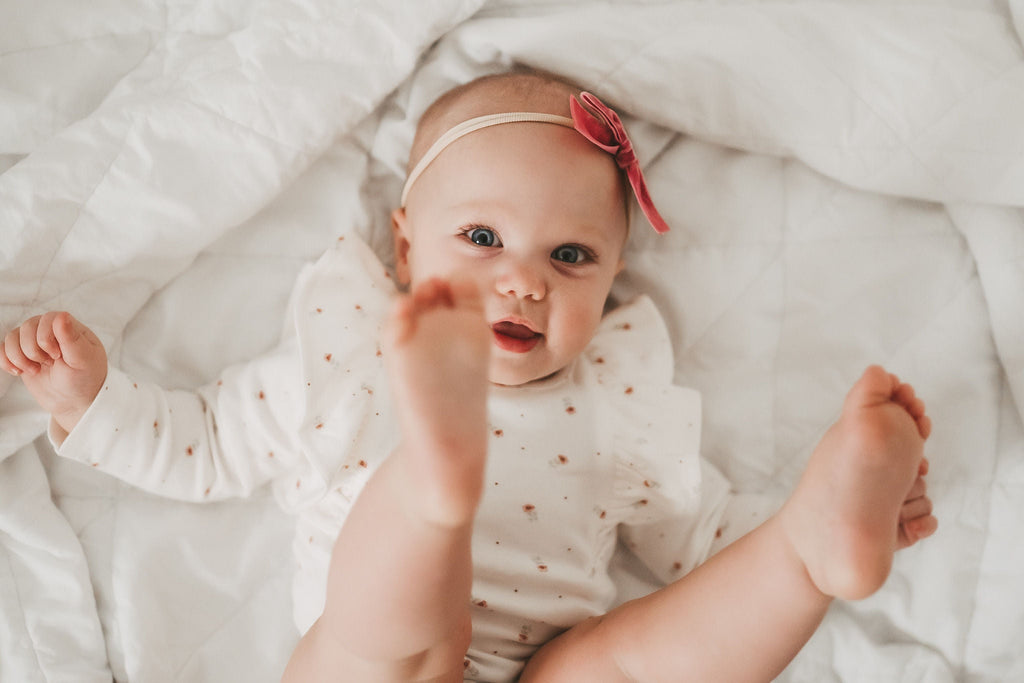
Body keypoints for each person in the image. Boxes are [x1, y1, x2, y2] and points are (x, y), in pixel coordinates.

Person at [1, 70, 937, 682]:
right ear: (406, 246)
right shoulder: (352, 354)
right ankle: (432, 484)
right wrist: (97, 400)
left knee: (636, 663)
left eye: (571, 255)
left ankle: (809, 549)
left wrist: (781, 528)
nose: (524, 280)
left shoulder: (618, 404)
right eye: (483, 237)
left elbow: (698, 538)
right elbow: (207, 442)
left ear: (613, 281)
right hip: (397, 639)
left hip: (543, 661)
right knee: (391, 640)